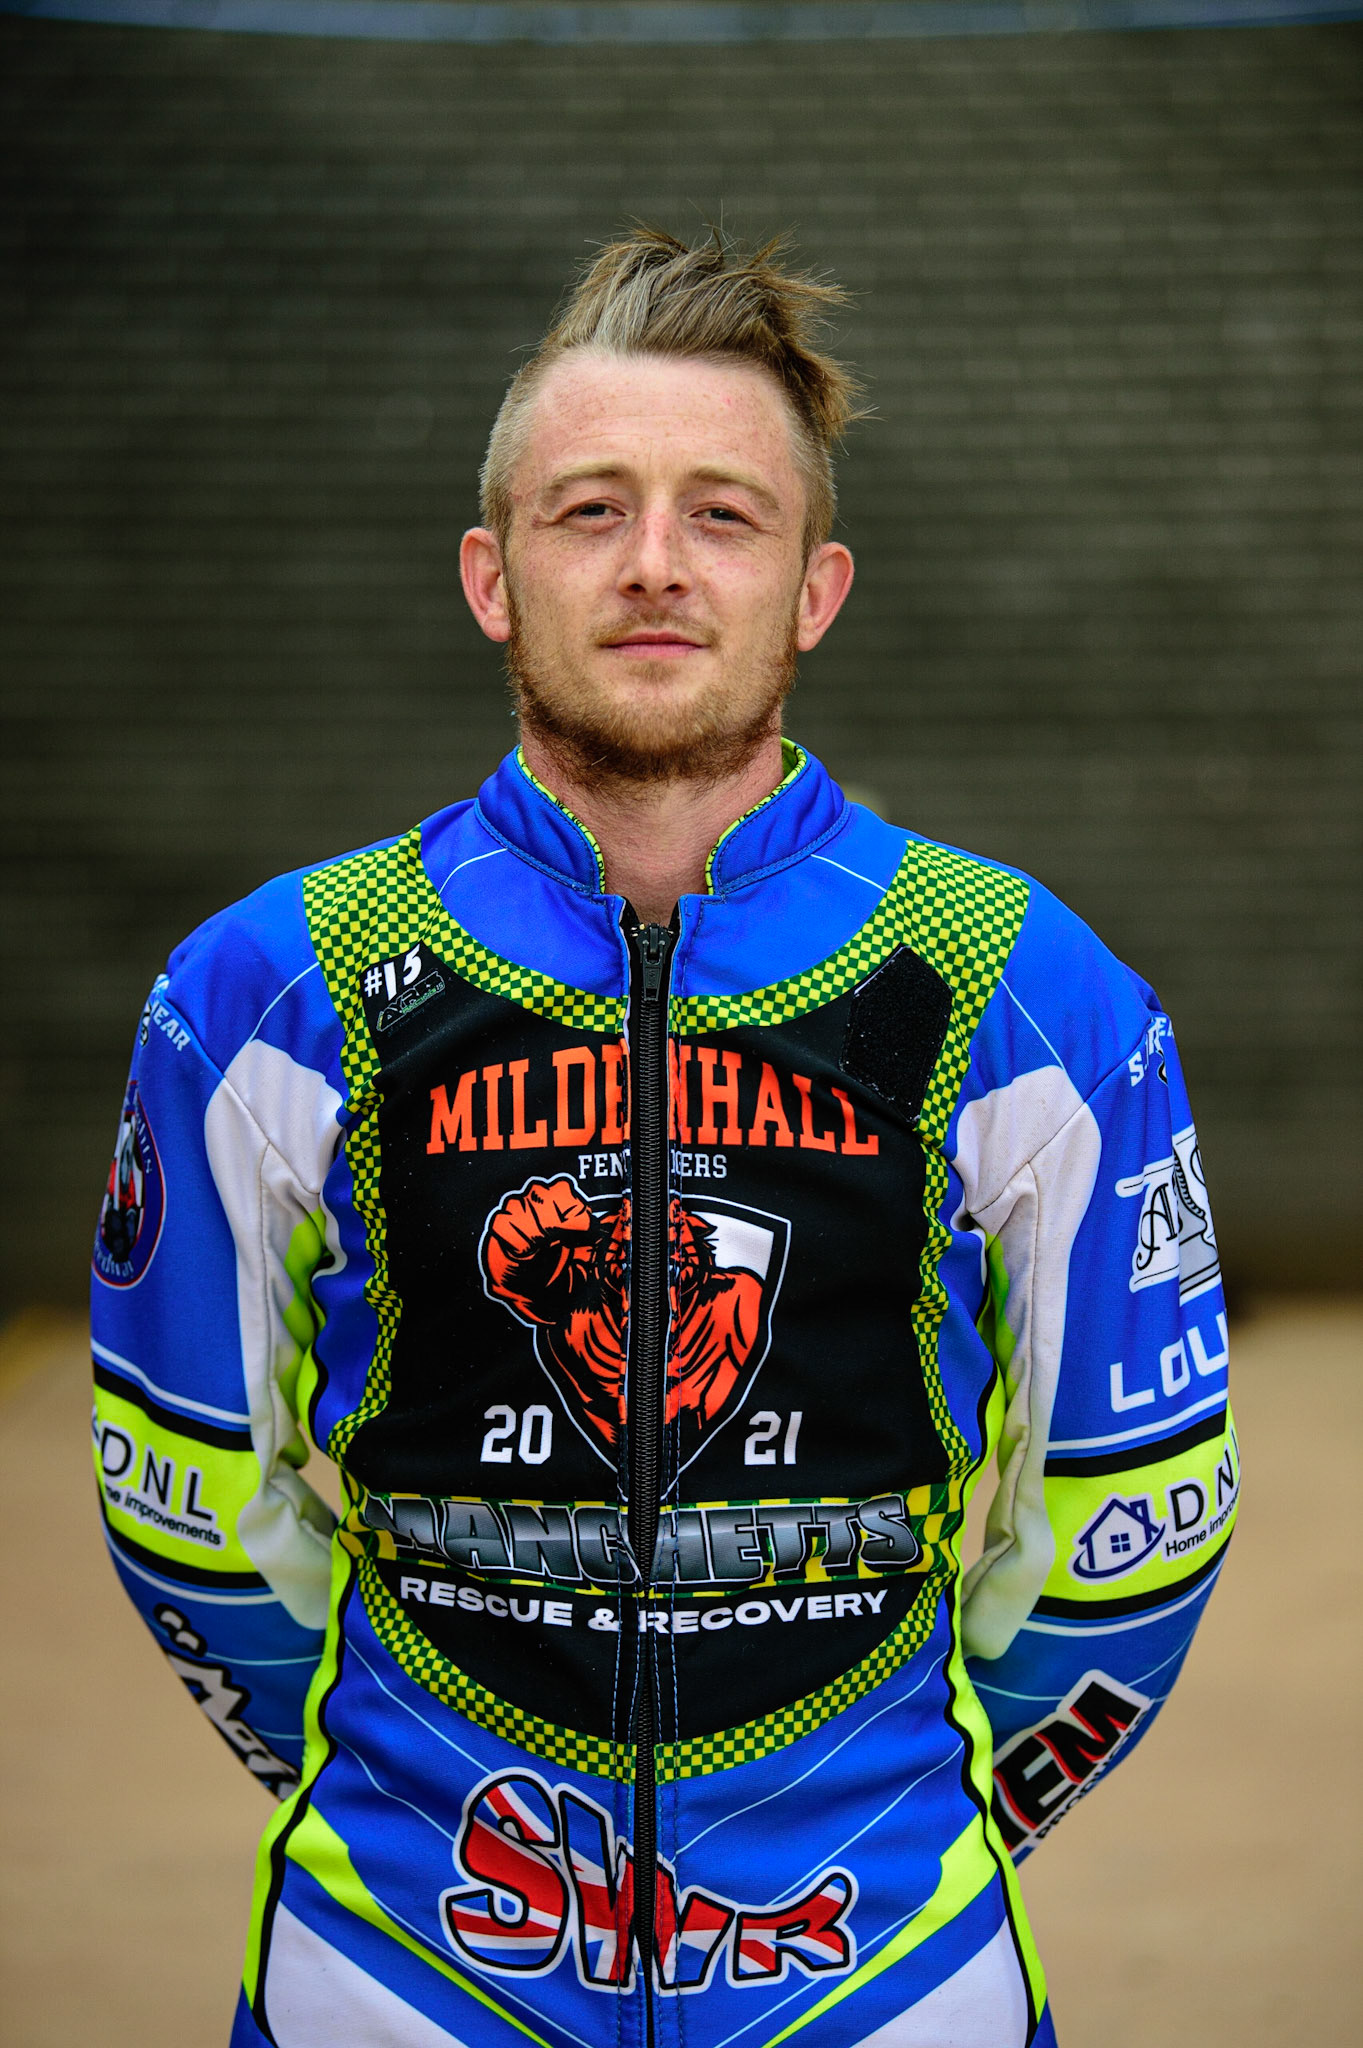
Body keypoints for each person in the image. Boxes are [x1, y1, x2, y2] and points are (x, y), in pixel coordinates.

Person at [90, 227, 1238, 2048]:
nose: (651, 566)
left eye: (723, 514)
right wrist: (391, 1796)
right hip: (398, 1969)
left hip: (884, 1974)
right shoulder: (263, 988)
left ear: (815, 588)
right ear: (489, 575)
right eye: (587, 510)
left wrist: (904, 1837)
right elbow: (180, 1498)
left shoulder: (1028, 992)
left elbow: (1135, 1527)